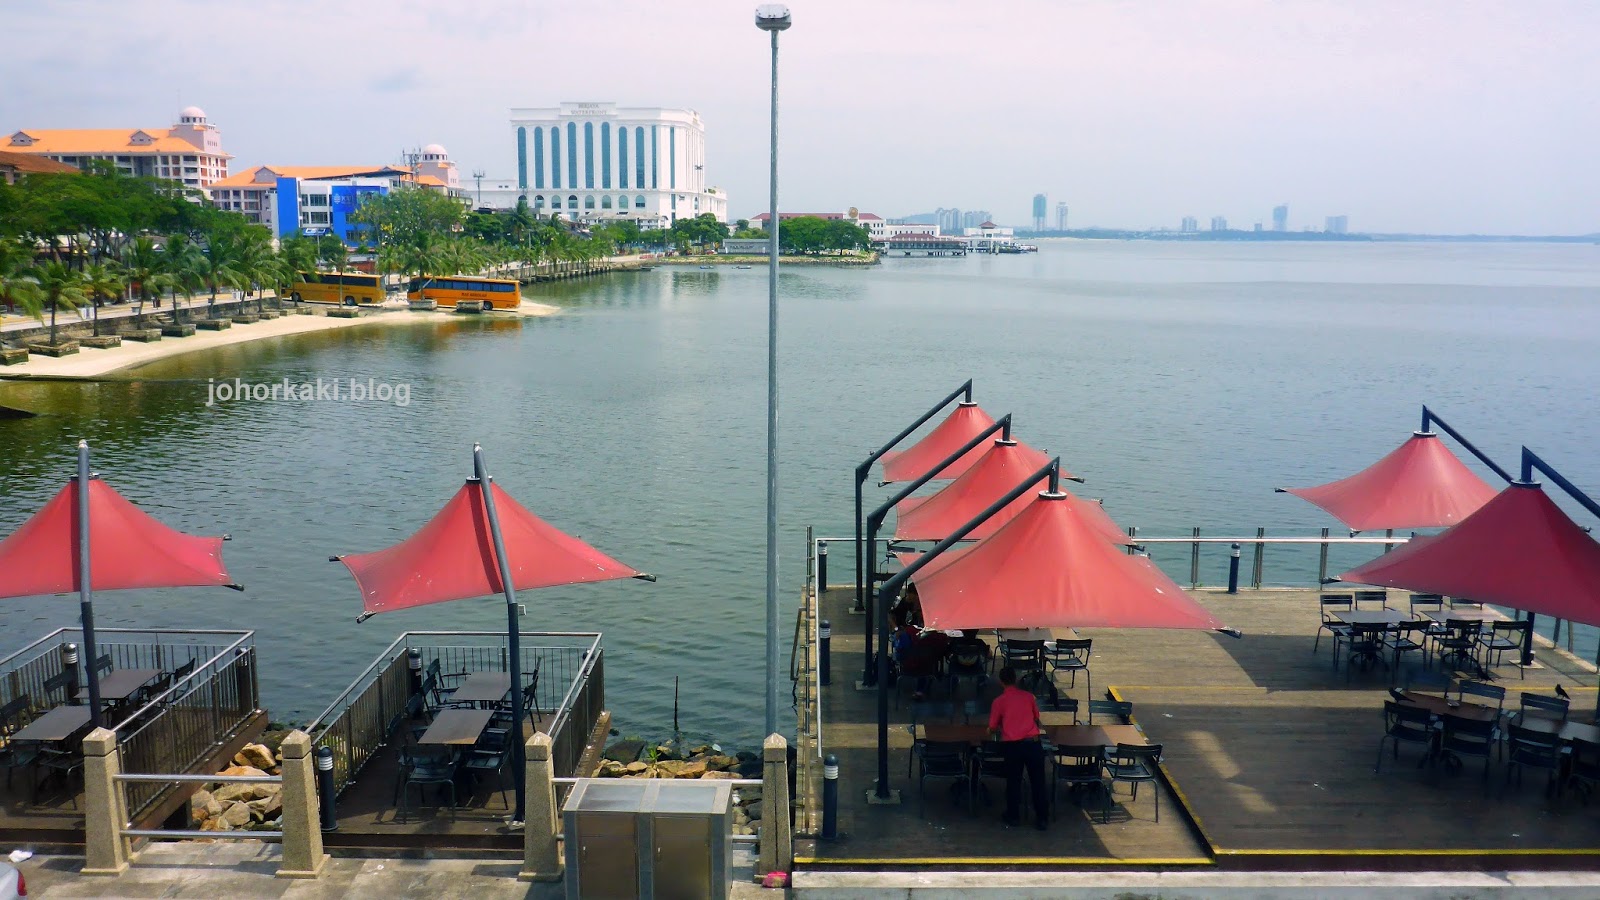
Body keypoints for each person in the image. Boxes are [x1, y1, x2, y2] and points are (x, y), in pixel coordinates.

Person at [988, 666, 1047, 830]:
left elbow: (992, 726)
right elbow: (1036, 717)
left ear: (1001, 682)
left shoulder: (999, 702)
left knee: (1013, 782)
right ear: (1015, 679)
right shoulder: (1029, 697)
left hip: (1013, 746)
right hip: (1033, 744)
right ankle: (1042, 819)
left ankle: (1013, 816)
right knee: (1038, 783)